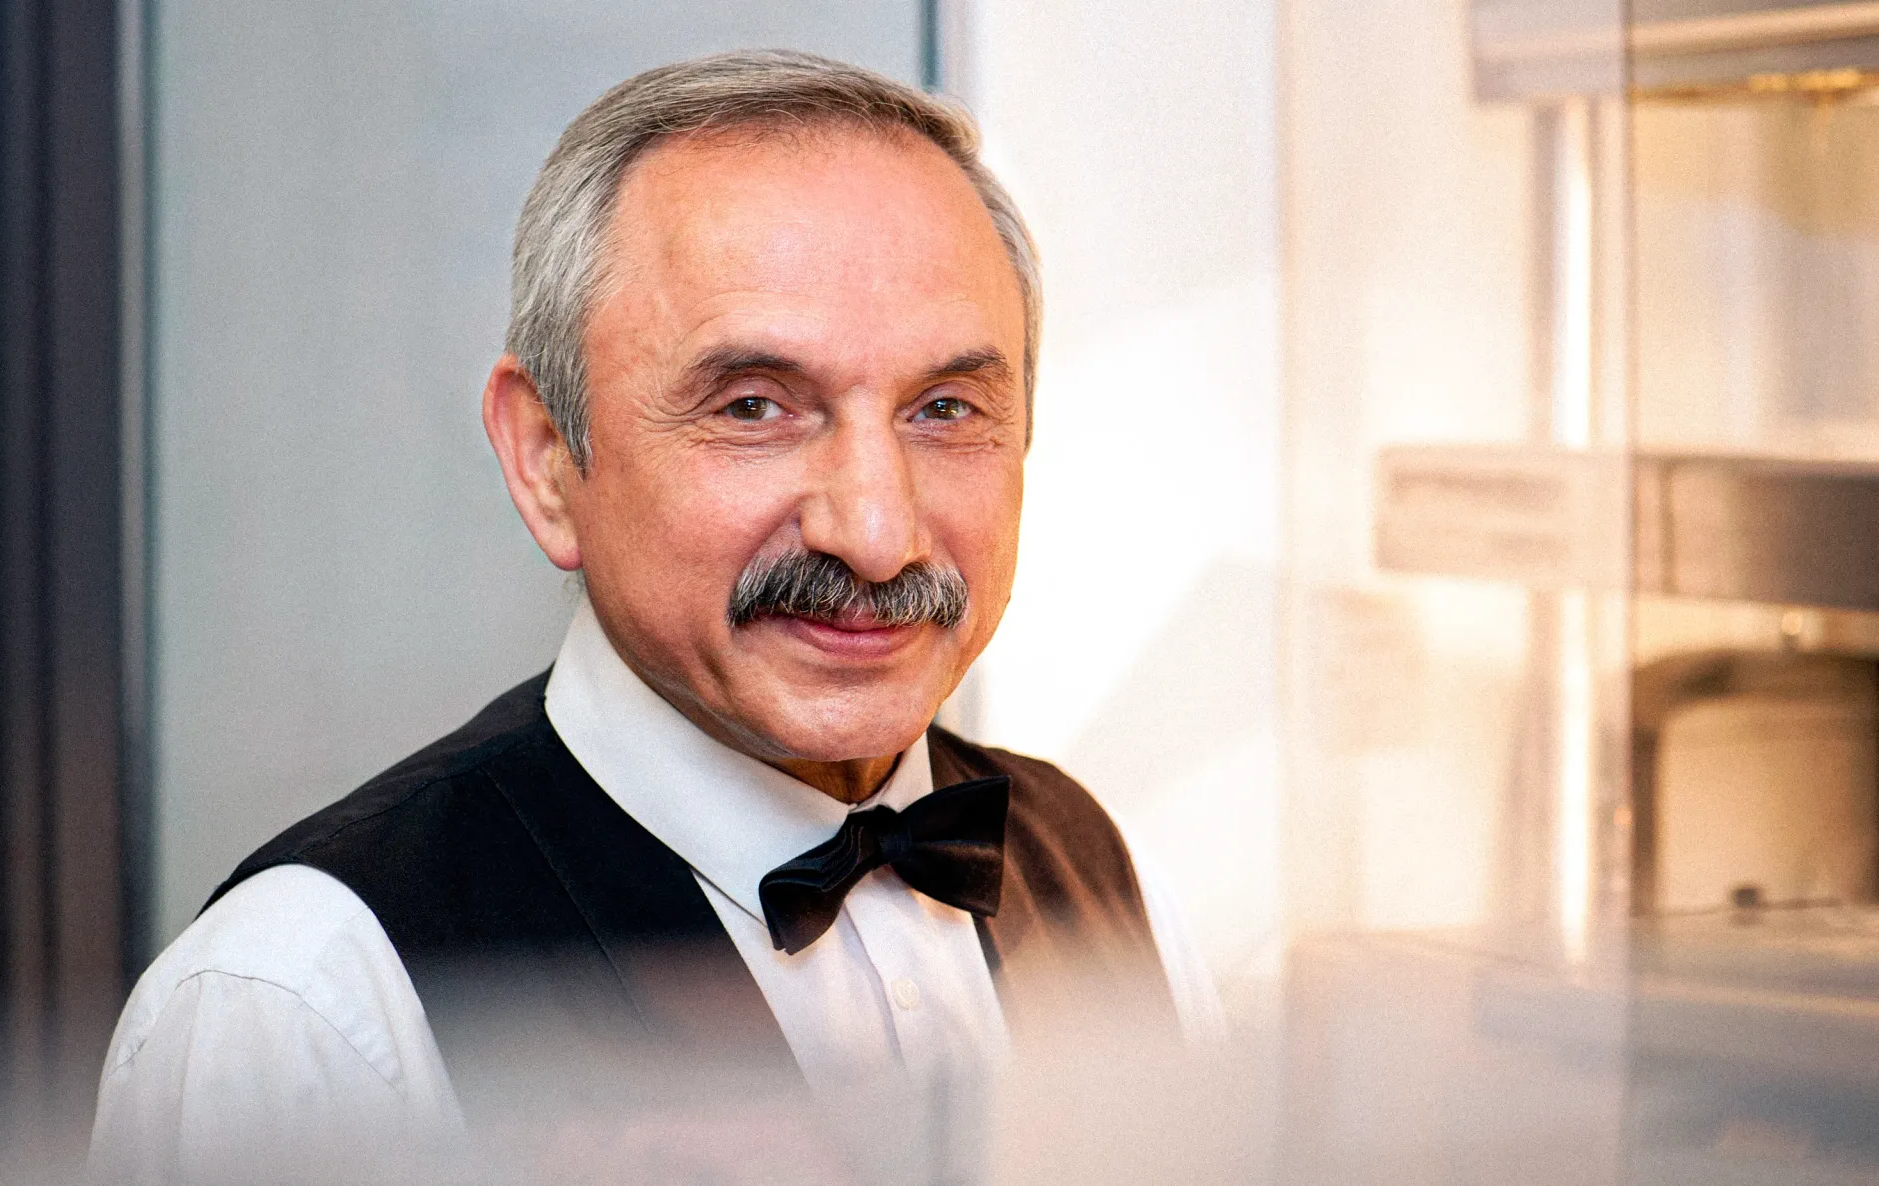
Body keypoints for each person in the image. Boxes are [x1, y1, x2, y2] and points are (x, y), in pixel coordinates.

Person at [90, 49, 1219, 1181]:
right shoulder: (308, 1000)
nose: (877, 532)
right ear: (544, 461)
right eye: (755, 406)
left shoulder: (1116, 881)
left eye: (945, 408)